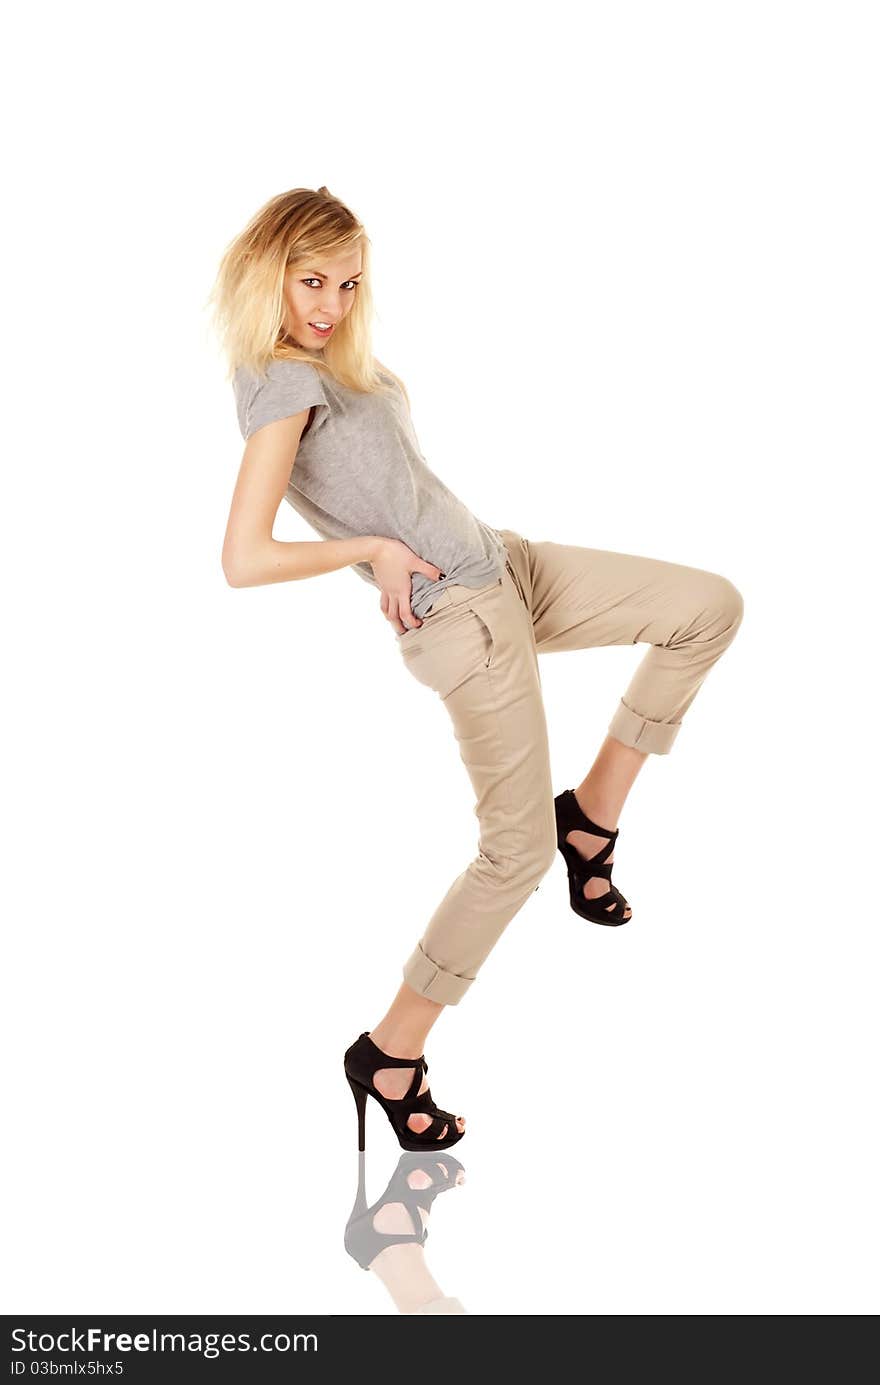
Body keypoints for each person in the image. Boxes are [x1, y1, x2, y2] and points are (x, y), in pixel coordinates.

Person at [209, 186, 744, 1154]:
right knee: (512, 855)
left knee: (706, 607)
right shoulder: (282, 385)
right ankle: (391, 1051)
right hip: (463, 616)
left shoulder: (332, 362)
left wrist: (400, 540)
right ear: (269, 274)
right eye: (310, 279)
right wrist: (367, 551)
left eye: (348, 280)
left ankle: (590, 816)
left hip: (504, 565)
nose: (330, 301)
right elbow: (242, 557)